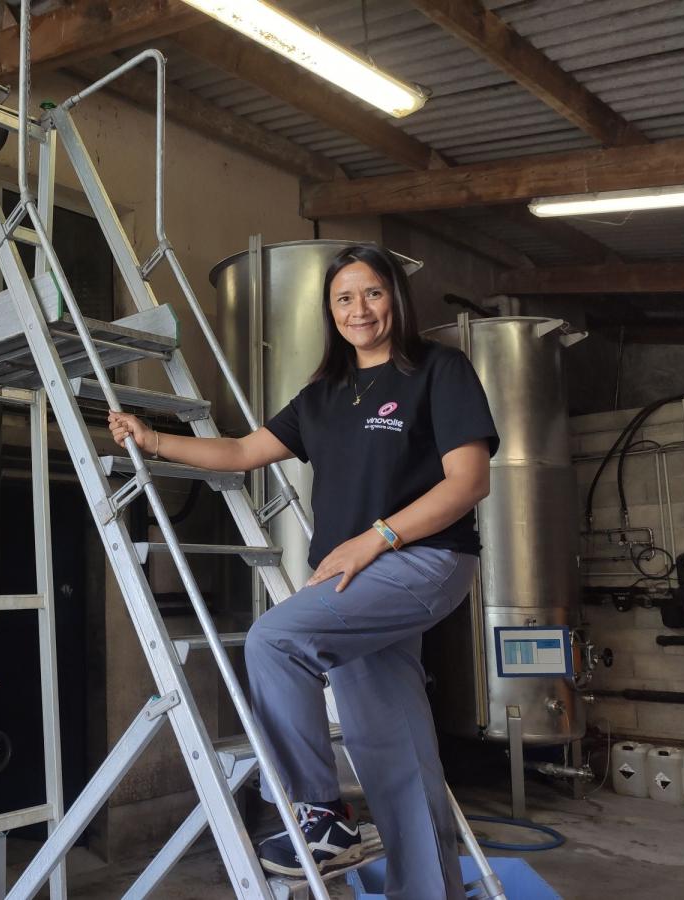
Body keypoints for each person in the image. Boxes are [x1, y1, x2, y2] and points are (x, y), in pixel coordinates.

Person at [107, 244, 498, 899]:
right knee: (394, 749)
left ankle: (319, 816)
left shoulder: (440, 369)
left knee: (276, 639)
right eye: (343, 298)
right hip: (353, 581)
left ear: (395, 298)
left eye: (371, 293)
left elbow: (469, 482)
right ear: (330, 311)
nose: (359, 309)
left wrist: (375, 538)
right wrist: (154, 439)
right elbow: (239, 452)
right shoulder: (325, 394)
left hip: (423, 561)